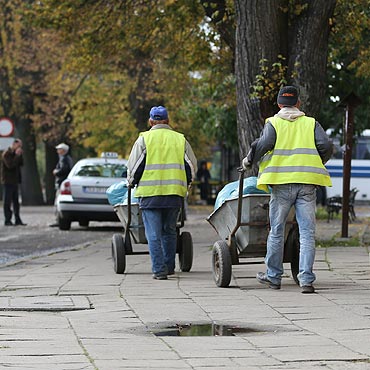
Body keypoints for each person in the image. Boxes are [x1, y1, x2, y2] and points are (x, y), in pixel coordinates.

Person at [242, 86, 332, 294]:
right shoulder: (311, 123)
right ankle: (306, 280)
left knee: (276, 230)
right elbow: (326, 145)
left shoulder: (274, 122)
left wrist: (249, 162)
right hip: (307, 184)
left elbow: (263, 144)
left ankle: (273, 277)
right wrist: (319, 161)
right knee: (307, 233)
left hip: (281, 184)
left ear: (279, 103)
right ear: (298, 103)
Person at [127, 106, 197, 280]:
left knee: (153, 233)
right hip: (174, 193)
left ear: (151, 121)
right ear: (168, 121)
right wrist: (186, 184)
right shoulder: (180, 139)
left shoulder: (144, 139)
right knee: (170, 230)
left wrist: (131, 182)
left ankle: (159, 270)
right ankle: (169, 266)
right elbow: (191, 166)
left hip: (150, 194)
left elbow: (134, 166)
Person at [1, 138, 26, 226]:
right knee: (7, 201)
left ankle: (17, 219)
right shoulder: (6, 154)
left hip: (15, 181)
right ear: (13, 145)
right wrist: (16, 155)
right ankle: (7, 219)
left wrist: (19, 155)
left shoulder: (16, 154)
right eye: (18, 146)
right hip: (8, 181)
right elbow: (10, 165)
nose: (19, 148)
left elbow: (21, 164)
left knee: (16, 201)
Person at [50, 143, 73, 227]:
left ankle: (58, 220)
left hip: (61, 182)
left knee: (57, 201)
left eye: (59, 149)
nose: (57, 151)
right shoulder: (67, 158)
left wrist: (56, 172)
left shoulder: (64, 159)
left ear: (63, 150)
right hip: (63, 182)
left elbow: (63, 169)